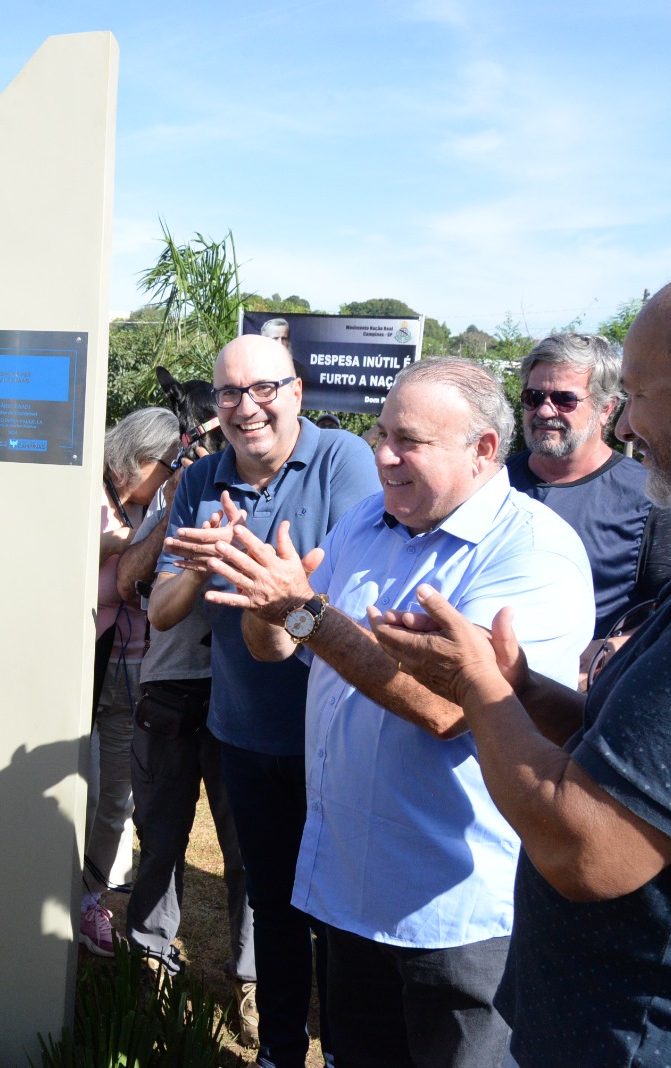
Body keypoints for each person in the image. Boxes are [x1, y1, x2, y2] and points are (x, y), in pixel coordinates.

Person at [372, 254, 671, 1067]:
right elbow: (653, 762)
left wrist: (477, 692)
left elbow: (587, 850)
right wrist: (526, 693)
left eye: (636, 395)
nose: (628, 426)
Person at [194, 357, 594, 1067]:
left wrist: (308, 613)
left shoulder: (531, 552)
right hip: (352, 895)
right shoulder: (365, 525)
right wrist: (267, 605)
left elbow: (451, 708)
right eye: (382, 434)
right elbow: (277, 646)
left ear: (482, 451)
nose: (382, 454)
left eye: (408, 441)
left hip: (456, 914)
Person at [152, 333, 377, 1068]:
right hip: (245, 734)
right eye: (229, 394)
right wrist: (208, 562)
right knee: (272, 909)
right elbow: (163, 610)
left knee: (342, 917)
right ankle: (282, 1050)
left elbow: (351, 604)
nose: (247, 408)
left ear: (298, 391)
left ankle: (343, 1049)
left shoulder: (343, 463)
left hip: (336, 737)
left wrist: (281, 599)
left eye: (264, 390)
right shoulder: (203, 477)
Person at [115, 413, 258, 1047]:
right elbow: (129, 582)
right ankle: (150, 959)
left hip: (244, 693)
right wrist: (175, 506)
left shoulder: (272, 503)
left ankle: (249, 978)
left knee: (246, 850)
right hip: (170, 692)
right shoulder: (185, 495)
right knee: (161, 837)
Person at [505, 333, 671, 664]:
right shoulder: (492, 484)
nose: (545, 410)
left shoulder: (652, 497)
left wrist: (600, 657)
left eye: (565, 400)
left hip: (582, 696)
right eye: (533, 397)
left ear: (606, 409)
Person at [80, 407, 178, 956]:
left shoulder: (158, 503)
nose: (169, 474)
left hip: (131, 668)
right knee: (79, 789)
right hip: (75, 663)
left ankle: (89, 898)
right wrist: (119, 545)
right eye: (165, 464)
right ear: (140, 456)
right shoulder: (83, 489)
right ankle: (48, 888)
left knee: (116, 795)